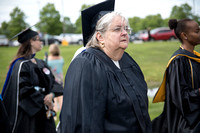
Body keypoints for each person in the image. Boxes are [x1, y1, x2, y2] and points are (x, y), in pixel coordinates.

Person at [60, 0, 152, 132]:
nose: (125, 33)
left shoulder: (127, 61)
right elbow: (85, 121)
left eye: (126, 29)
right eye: (117, 29)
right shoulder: (86, 64)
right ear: (100, 37)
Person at [1, 26, 63, 133]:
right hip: (30, 117)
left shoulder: (41, 63)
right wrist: (45, 100)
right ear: (31, 42)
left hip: (45, 114)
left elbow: (53, 82)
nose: (41, 42)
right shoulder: (20, 65)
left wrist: (51, 95)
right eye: (38, 39)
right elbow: (23, 90)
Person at [152, 18, 200, 133]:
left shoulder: (196, 57)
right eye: (197, 31)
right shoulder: (178, 61)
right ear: (185, 35)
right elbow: (179, 97)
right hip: (185, 124)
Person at [47, 44, 64, 114]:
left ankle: (55, 111)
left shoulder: (48, 59)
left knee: (54, 96)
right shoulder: (61, 59)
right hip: (60, 79)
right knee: (61, 96)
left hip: (53, 80)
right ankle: (62, 110)